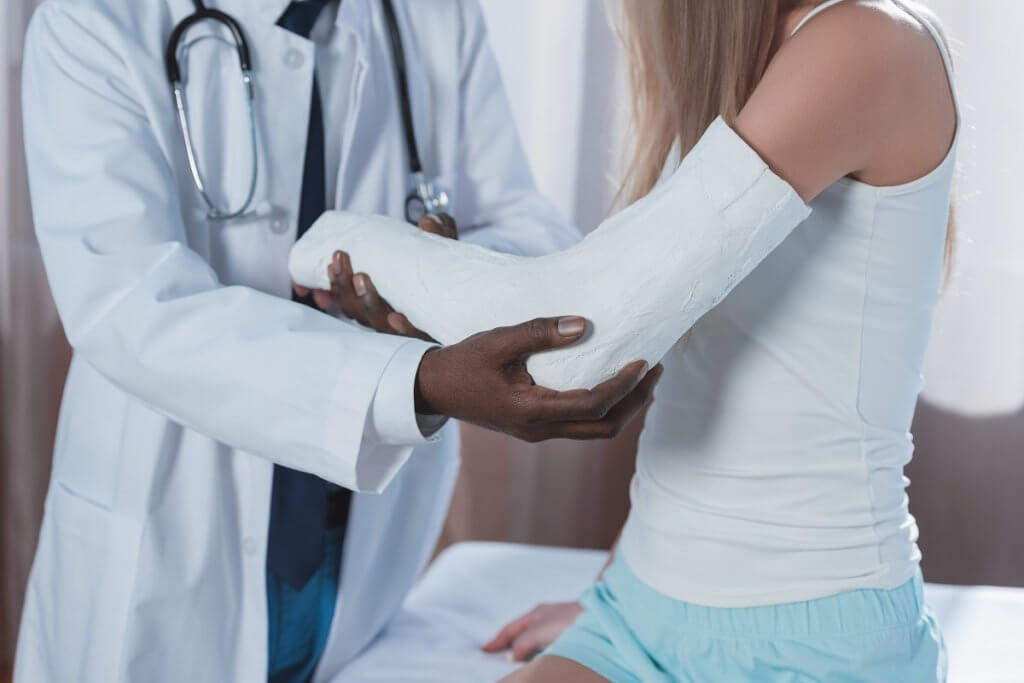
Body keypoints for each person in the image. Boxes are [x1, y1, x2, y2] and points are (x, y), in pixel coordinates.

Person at [12, 1, 662, 681]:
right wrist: (421, 381)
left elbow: (523, 223)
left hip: (354, 541)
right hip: (171, 535)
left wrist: (436, 276)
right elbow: (133, 308)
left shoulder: (433, 16)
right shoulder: (93, 18)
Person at [319, 0, 958, 680]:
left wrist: (356, 255)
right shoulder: (743, 70)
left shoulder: (866, 43)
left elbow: (586, 325)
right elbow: (707, 383)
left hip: (815, 640)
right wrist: (612, 589)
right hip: (639, 612)